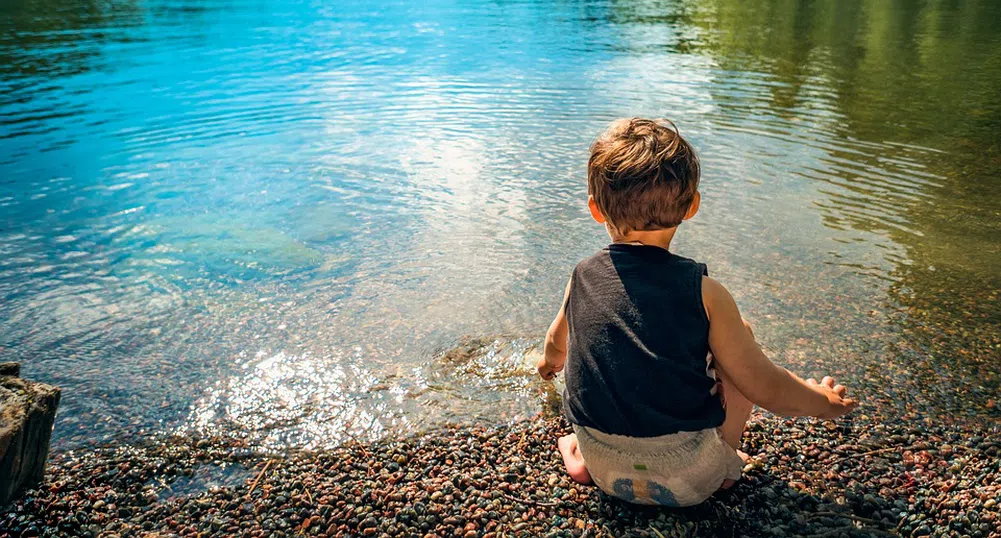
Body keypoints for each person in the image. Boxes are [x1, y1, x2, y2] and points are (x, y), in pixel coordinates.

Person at [536, 118, 857, 507]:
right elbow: (766, 387)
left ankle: (580, 456)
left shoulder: (581, 276)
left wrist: (547, 366)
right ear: (692, 206)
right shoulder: (705, 293)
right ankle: (726, 462)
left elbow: (556, 345)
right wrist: (824, 402)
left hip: (604, 469)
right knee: (739, 336)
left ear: (595, 210)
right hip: (689, 480)